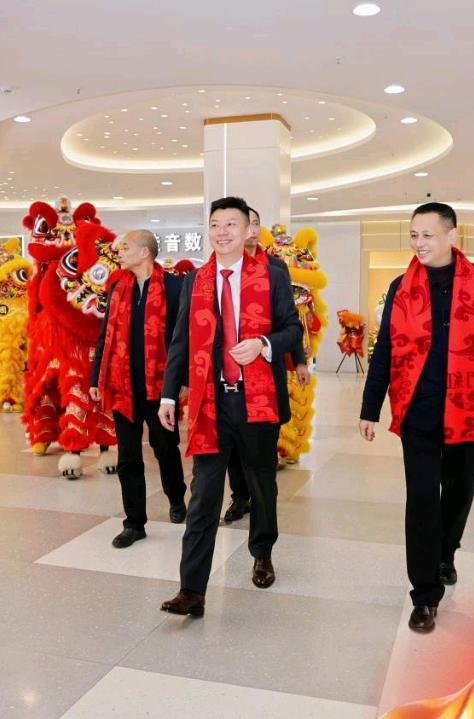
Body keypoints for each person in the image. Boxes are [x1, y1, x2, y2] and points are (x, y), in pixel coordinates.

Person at [359, 202, 474, 634]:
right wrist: (370, 407)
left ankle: (446, 551)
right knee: (421, 500)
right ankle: (424, 594)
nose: (419, 243)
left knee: (460, 487)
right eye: (413, 235)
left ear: (452, 236)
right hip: (417, 408)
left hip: (467, 407)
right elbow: (385, 349)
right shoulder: (401, 286)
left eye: (427, 235)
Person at [157, 196, 302, 617]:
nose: (222, 232)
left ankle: (262, 552)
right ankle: (192, 589)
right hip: (211, 401)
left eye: (231, 224)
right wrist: (169, 394)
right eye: (215, 224)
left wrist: (263, 344)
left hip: (257, 400)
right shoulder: (196, 280)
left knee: (261, 485)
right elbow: (180, 340)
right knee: (203, 494)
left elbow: (293, 330)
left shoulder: (273, 276)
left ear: (248, 230)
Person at [90, 230, 187, 548]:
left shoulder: (174, 287)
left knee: (165, 450)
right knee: (128, 458)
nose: (119, 252)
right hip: (123, 387)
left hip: (161, 388)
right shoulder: (118, 287)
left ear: (145, 252)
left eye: (126, 247)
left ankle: (177, 498)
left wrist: (182, 381)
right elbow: (105, 335)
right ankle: (134, 523)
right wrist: (96, 378)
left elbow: (183, 337)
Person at [222, 207, 311, 524]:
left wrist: (299, 360)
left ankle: (261, 509)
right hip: (229, 378)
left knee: (260, 448)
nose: (251, 229)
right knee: (233, 448)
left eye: (255, 224)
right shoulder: (220, 269)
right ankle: (239, 497)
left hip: (264, 371)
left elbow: (290, 320)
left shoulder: (275, 268)